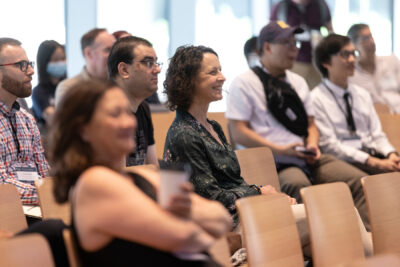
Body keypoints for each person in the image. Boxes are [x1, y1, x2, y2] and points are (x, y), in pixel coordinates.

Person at [48, 79, 231, 267]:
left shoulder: (144, 176)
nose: (129, 123)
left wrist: (186, 214)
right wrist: (194, 225)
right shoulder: (94, 182)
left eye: (128, 113)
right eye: (115, 114)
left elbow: (222, 219)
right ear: (83, 130)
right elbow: (186, 237)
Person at [225, 21, 370, 229]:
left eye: (296, 43)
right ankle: (313, 250)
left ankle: (364, 240)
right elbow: (239, 132)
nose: (294, 49)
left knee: (359, 180)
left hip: (305, 155)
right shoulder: (244, 82)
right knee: (298, 184)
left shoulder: (298, 81)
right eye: (287, 43)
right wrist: (281, 150)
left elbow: (311, 125)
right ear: (267, 47)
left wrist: (312, 143)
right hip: (274, 161)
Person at [312, 33, 400, 174]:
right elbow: (330, 146)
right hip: (345, 160)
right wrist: (374, 162)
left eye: (354, 53)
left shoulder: (362, 94)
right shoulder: (316, 99)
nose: (352, 59)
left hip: (372, 153)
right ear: (326, 62)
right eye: (345, 55)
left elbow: (377, 134)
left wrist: (391, 154)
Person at [0, 37, 49, 204]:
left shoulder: (26, 120)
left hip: (36, 208)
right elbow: (2, 186)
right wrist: (49, 196)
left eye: (29, 64)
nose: (30, 71)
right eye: (21, 65)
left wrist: (54, 192)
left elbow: (43, 174)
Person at [108, 36, 160, 166]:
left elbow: (153, 168)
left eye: (156, 63)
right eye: (148, 63)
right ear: (124, 70)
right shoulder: (106, 110)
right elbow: (118, 177)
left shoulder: (143, 108)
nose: (157, 70)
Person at [270, 0, 333, 89]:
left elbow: (330, 31)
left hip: (316, 62)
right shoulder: (282, 7)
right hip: (292, 62)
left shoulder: (320, 5)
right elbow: (273, 33)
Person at [347, 23, 400, 114]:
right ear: (354, 46)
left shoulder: (391, 62)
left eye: (371, 36)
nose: (371, 41)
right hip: (375, 120)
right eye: (365, 39)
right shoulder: (352, 75)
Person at [54, 28, 116, 106]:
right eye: (107, 50)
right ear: (89, 53)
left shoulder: (119, 84)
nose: (114, 54)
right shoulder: (69, 89)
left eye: (114, 49)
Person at [32, 40, 66, 127]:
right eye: (55, 60)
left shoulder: (69, 86)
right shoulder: (38, 92)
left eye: (63, 58)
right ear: (44, 62)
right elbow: (54, 120)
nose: (61, 62)